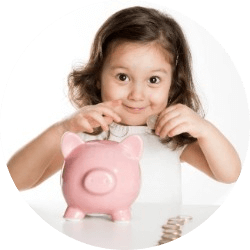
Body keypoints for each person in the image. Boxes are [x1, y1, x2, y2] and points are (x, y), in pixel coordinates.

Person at [7, 7, 241, 202]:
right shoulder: (85, 135)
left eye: (153, 80)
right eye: (122, 77)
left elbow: (229, 174)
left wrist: (205, 130)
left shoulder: (170, 138)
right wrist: (60, 131)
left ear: (172, 85)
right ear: (98, 77)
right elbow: (18, 179)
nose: (137, 94)